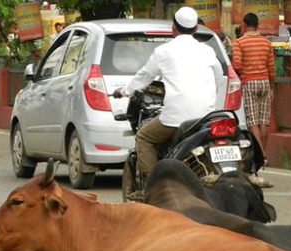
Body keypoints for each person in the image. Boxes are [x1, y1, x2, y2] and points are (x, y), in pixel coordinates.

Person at [113, 7, 222, 182]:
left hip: (176, 118)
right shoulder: (207, 51)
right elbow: (218, 77)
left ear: (173, 28)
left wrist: (124, 91)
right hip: (205, 117)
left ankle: (153, 186)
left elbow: (144, 76)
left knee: (144, 137)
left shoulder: (163, 51)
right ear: (195, 29)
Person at [232, 12, 275, 162]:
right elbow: (272, 68)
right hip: (265, 82)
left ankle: (260, 154)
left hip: (249, 82)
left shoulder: (239, 42)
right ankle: (263, 153)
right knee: (264, 120)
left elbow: (236, 65)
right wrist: (272, 86)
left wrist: (242, 74)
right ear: (258, 25)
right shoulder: (266, 43)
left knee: (252, 121)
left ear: (244, 25)